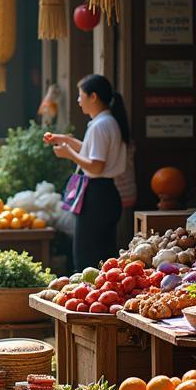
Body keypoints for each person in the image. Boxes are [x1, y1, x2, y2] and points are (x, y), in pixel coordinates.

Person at [44, 73, 130, 271]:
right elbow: (93, 153)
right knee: (101, 258)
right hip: (104, 194)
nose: (78, 100)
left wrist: (69, 154)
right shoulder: (106, 122)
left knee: (86, 261)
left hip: (96, 197)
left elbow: (95, 166)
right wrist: (65, 140)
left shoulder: (100, 125)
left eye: (80, 95)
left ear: (93, 97)